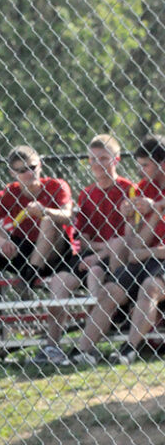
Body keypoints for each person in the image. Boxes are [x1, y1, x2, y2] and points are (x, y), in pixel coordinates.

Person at [69, 134, 165, 366]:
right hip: (148, 256)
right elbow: (135, 243)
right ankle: (84, 350)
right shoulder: (143, 188)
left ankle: (129, 348)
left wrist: (155, 208)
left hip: (157, 259)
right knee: (110, 290)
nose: (141, 171)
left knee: (151, 287)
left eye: (145, 165)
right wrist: (130, 218)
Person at [39, 134, 133, 366]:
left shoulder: (129, 190)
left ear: (116, 159)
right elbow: (85, 239)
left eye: (103, 158)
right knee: (60, 281)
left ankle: (88, 346)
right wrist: (98, 251)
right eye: (92, 159)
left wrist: (101, 254)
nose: (97, 164)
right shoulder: (87, 193)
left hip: (116, 259)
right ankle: (52, 345)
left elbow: (129, 240)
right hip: (93, 254)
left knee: (96, 273)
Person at [0, 145, 77, 322]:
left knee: (48, 221)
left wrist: (45, 211)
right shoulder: (12, 191)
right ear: (13, 173)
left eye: (32, 167)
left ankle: (30, 277)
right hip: (24, 250)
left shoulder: (57, 185)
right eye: (21, 170)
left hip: (55, 253)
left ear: (40, 165)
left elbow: (68, 216)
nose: (28, 174)